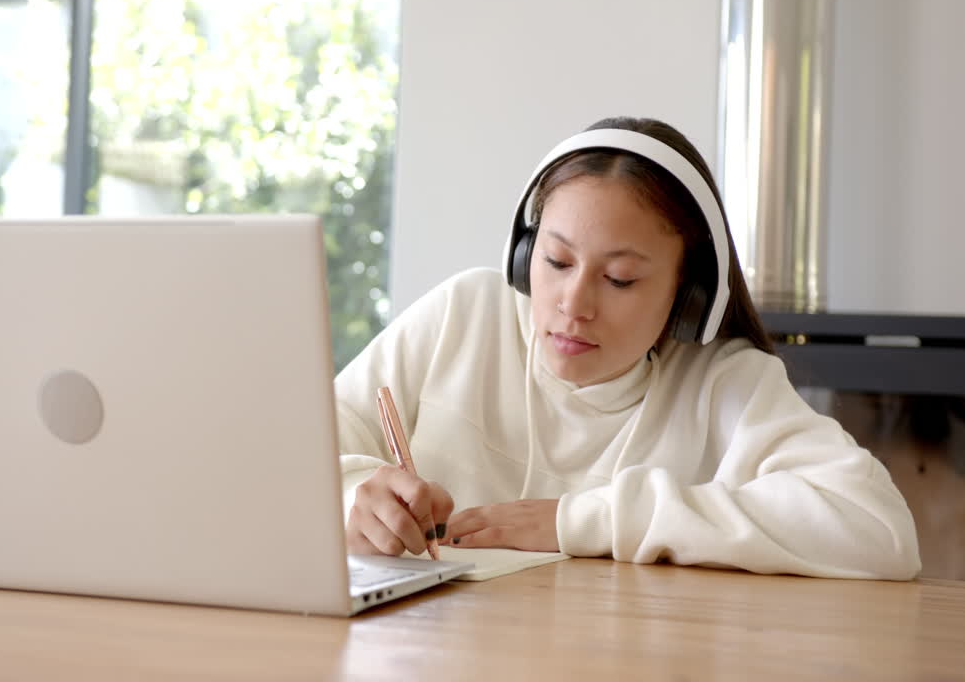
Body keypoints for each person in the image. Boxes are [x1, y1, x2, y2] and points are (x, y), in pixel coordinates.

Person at [334, 116, 921, 580]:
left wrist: (589, 520)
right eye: (557, 261)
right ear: (522, 254)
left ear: (686, 298)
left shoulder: (721, 382)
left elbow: (879, 530)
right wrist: (354, 496)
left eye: (619, 279)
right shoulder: (464, 315)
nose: (573, 302)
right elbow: (297, 448)